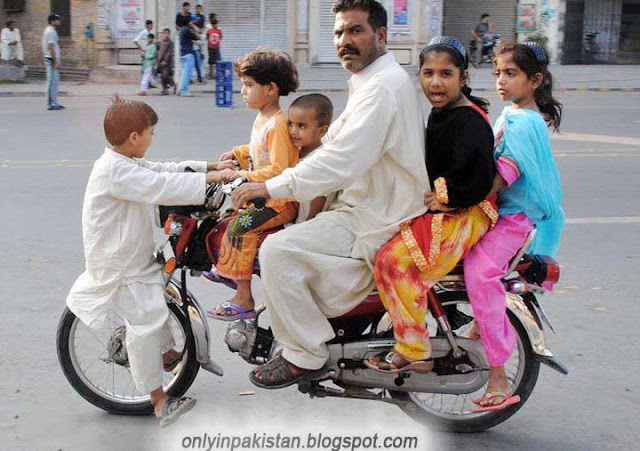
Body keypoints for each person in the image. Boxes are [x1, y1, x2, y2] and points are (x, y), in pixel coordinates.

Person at [230, 0, 428, 388]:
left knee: (276, 250)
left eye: (355, 31)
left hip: (375, 213)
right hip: (363, 203)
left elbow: (341, 160)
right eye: (338, 33)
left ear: (381, 36)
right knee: (289, 240)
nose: (344, 41)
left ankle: (305, 355)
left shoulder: (382, 88)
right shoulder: (369, 81)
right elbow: (334, 147)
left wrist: (271, 186)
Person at [65, 95, 230, 427]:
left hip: (131, 254)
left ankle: (168, 355)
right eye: (151, 133)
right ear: (134, 138)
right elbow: (161, 184)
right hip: (120, 263)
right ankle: (158, 401)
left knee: (156, 303)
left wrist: (210, 168)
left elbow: (163, 169)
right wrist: (211, 181)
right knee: (144, 323)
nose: (153, 139)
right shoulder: (115, 170)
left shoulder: (124, 161)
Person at [363, 36, 497, 375]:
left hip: (465, 213)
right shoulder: (442, 113)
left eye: (446, 74)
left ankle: (414, 349)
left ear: (463, 78)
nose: (435, 82)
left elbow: (480, 179)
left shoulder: (468, 120)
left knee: (392, 263)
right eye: (428, 73)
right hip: (447, 208)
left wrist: (446, 195)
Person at [463, 41, 564, 412]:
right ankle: (479, 327)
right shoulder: (514, 112)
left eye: (510, 74)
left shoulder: (524, 121)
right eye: (497, 74)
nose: (501, 81)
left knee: (479, 273)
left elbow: (506, 172)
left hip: (513, 219)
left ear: (534, 80)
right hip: (501, 214)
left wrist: (463, 195)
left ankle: (499, 376)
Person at [206, 48, 300, 322]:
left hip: (279, 201)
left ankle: (243, 297)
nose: (243, 92)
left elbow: (280, 168)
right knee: (226, 217)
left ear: (271, 88)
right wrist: (238, 153)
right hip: (264, 196)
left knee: (240, 227)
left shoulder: (279, 123)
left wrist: (242, 177)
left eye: (248, 85)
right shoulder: (264, 118)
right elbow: (260, 150)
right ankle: (229, 269)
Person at [286, 94, 334, 224]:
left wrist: (306, 225)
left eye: (301, 126)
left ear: (322, 131)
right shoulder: (294, 152)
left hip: (304, 223)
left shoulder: (319, 161)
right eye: (290, 124)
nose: (293, 131)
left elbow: (318, 199)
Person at [42, 13, 64, 111]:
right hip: (51, 59)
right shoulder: (51, 32)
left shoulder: (50, 31)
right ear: (52, 21)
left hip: (51, 58)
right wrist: (56, 62)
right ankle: (51, 104)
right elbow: (51, 47)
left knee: (54, 82)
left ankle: (55, 102)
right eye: (57, 19)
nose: (59, 21)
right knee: (51, 81)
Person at [176, 15, 200, 97]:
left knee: (183, 73)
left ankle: (180, 89)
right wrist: (194, 28)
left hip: (183, 53)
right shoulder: (187, 30)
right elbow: (196, 37)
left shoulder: (182, 30)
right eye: (191, 21)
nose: (192, 23)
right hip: (188, 53)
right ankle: (184, 90)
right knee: (187, 73)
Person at [156, 28, 176, 95]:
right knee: (162, 76)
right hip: (160, 61)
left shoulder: (170, 42)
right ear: (162, 34)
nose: (166, 35)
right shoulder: (160, 42)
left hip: (167, 62)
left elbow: (169, 53)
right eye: (165, 33)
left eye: (167, 33)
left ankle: (173, 84)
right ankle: (165, 89)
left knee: (165, 75)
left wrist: (165, 60)